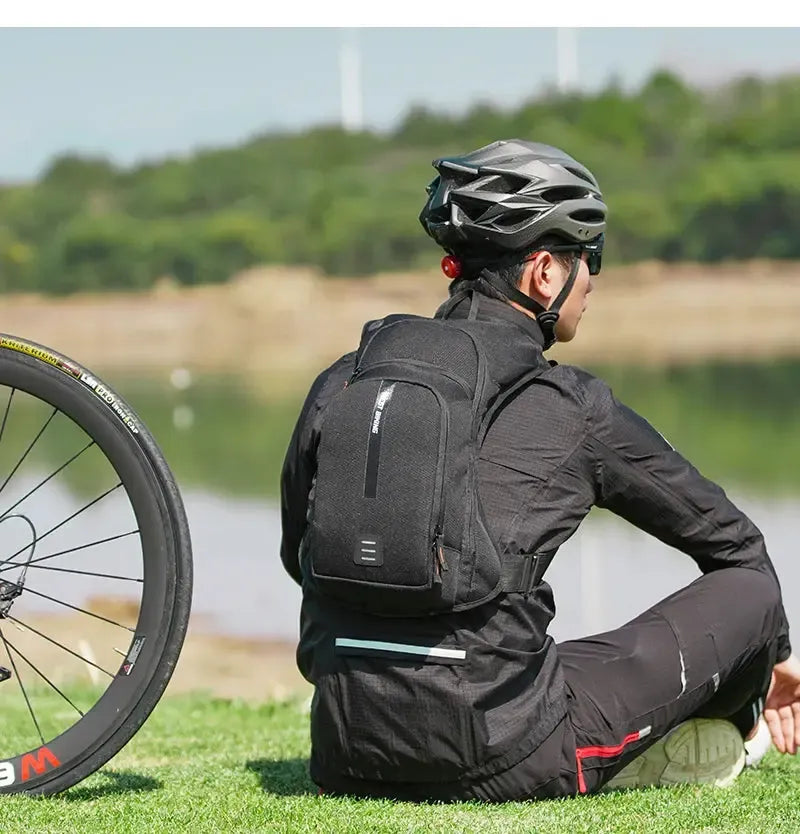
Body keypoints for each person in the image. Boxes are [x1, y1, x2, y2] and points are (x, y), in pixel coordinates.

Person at [279, 139, 799, 803]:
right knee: (752, 592)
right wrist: (773, 658)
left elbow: (302, 555)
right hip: (502, 757)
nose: (594, 281)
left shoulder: (345, 378)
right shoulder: (571, 404)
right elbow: (732, 544)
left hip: (344, 748)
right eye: (592, 258)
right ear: (546, 273)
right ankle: (708, 736)